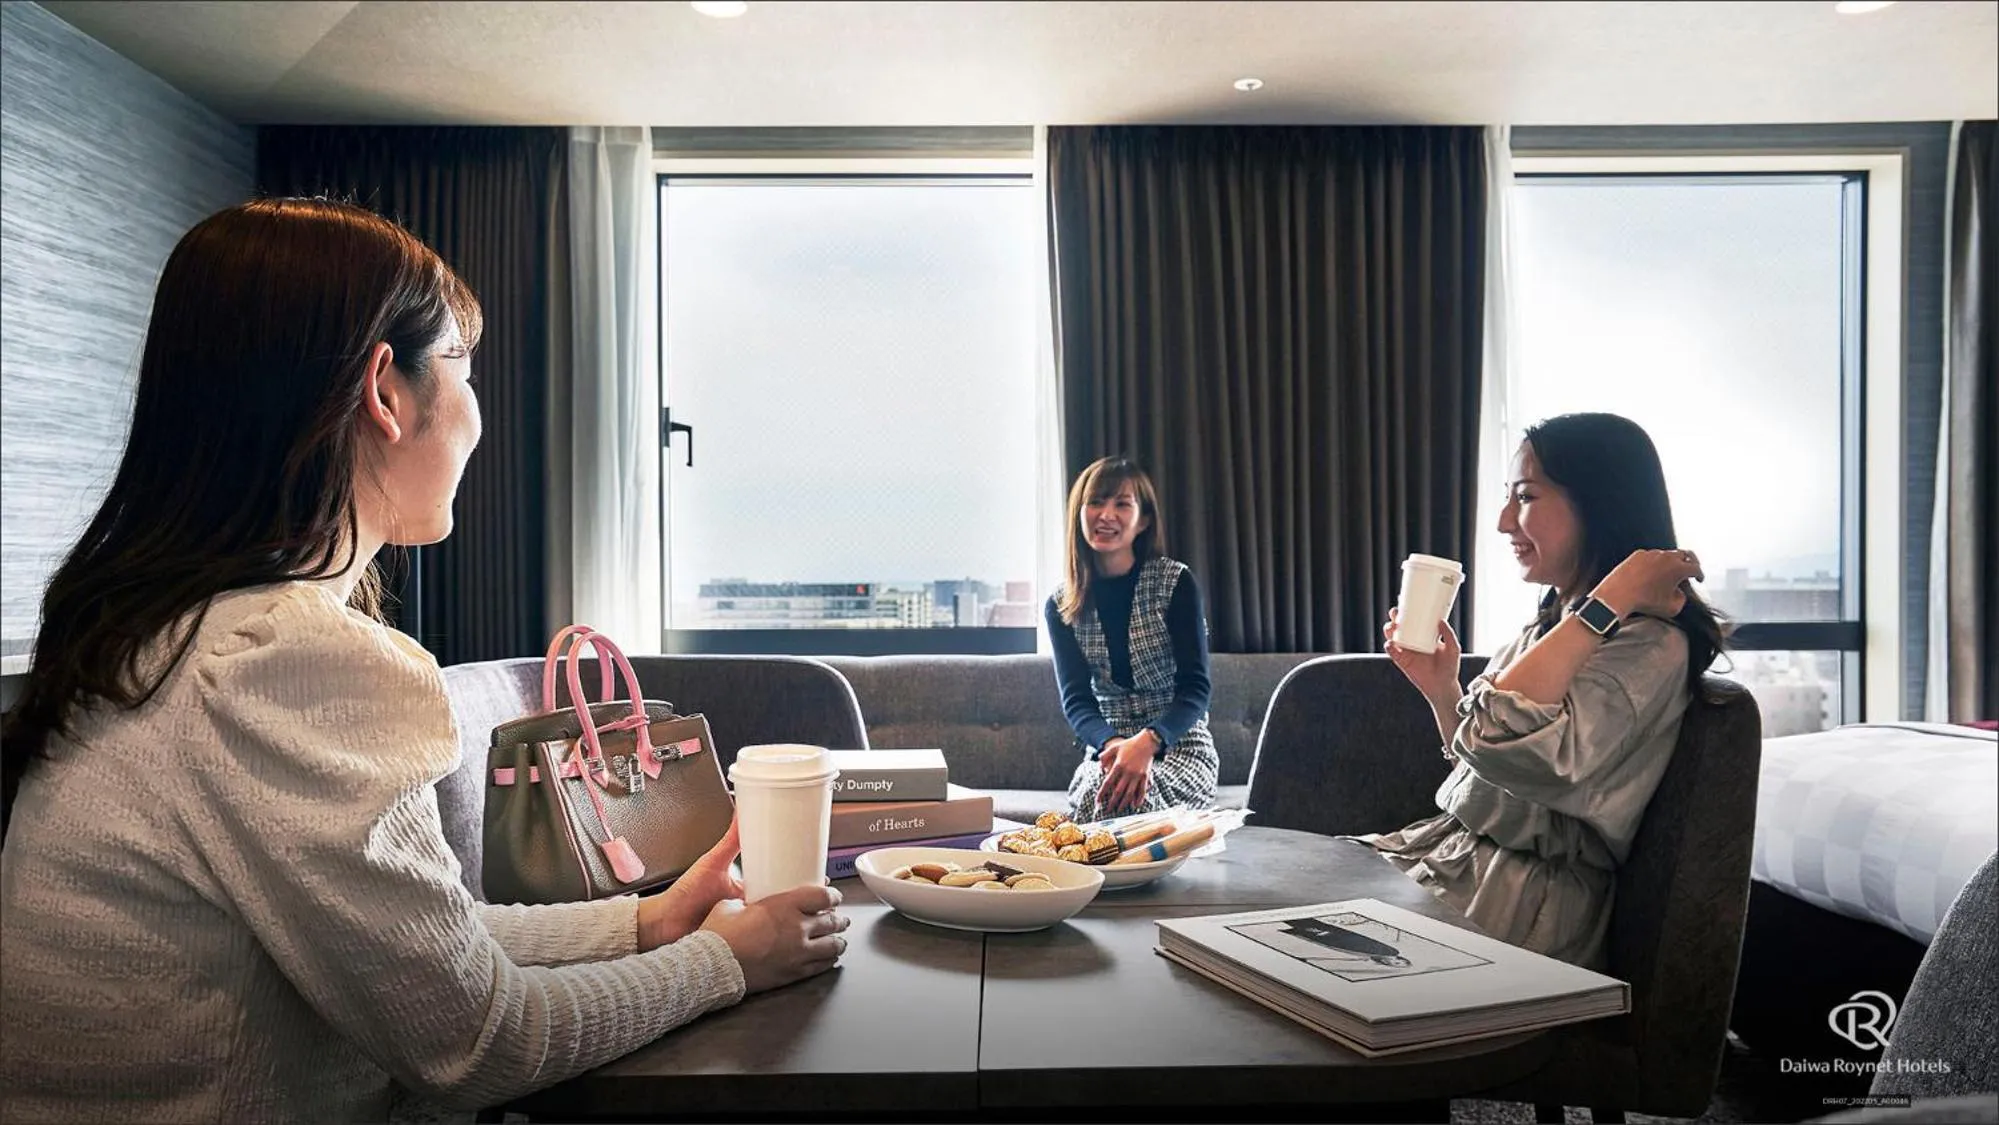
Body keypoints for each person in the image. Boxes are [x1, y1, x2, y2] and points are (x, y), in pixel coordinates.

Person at [0, 198, 847, 1124]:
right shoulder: (281, 663)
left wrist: (648, 919)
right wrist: (728, 961)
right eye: (462, 368)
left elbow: (419, 952)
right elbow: (478, 1041)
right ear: (384, 391)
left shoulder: (163, 636)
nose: (476, 415)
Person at [1366, 412, 1725, 970]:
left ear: (1599, 505)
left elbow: (1502, 742)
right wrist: (1441, 689)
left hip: (1518, 905)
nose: (1504, 521)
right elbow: (1490, 767)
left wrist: (1614, 594)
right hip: (1457, 858)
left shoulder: (1650, 646)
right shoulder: (1553, 627)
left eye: (1526, 497)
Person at [1044, 456, 1218, 822]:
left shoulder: (1175, 583)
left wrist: (1149, 741)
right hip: (1107, 747)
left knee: (1138, 796)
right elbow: (1077, 701)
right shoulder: (1061, 604)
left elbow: (1195, 689)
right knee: (1105, 789)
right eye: (1096, 502)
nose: (1106, 514)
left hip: (1179, 744)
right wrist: (1114, 744)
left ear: (1144, 521)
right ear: (1080, 512)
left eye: (1122, 504)